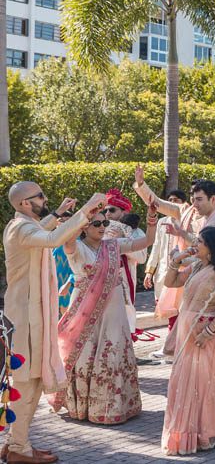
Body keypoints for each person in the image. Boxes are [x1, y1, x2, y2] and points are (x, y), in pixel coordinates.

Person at [3, 184, 105, 464]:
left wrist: (58, 213)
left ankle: (17, 443)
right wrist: (86, 210)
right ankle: (18, 448)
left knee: (32, 382)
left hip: (31, 316)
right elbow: (52, 238)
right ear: (25, 203)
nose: (45, 199)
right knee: (27, 383)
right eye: (40, 196)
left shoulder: (26, 225)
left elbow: (45, 232)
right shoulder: (21, 229)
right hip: (26, 319)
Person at [50, 206, 156, 424]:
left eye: (104, 223)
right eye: (96, 223)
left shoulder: (113, 245)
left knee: (113, 348)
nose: (102, 227)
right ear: (84, 227)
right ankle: (85, 407)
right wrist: (78, 215)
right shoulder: (76, 247)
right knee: (84, 351)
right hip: (85, 308)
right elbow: (67, 238)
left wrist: (152, 222)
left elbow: (144, 243)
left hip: (114, 306)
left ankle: (115, 407)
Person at [160, 227, 215, 455]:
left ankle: (206, 433)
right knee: (184, 379)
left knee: (208, 383)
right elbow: (171, 282)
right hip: (189, 330)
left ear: (213, 246)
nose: (196, 244)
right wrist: (176, 261)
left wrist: (210, 329)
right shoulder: (198, 265)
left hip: (212, 333)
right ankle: (184, 433)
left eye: (201, 241)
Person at [132, 165, 215, 251]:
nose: (194, 203)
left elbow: (207, 254)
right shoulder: (185, 210)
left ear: (213, 199)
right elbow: (158, 203)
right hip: (188, 270)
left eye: (199, 199)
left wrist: (180, 258)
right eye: (192, 196)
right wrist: (141, 184)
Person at [103, 189, 148, 334]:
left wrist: (122, 240)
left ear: (124, 212)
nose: (107, 214)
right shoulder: (100, 229)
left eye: (112, 210)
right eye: (105, 211)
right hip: (103, 280)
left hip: (125, 282)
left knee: (126, 313)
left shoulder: (136, 232)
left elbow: (141, 258)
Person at [143, 189, 189, 319]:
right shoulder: (162, 222)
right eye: (170, 201)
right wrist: (149, 271)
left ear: (183, 204)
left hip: (182, 271)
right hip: (163, 271)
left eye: (176, 201)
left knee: (180, 309)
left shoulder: (187, 222)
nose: (172, 204)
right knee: (167, 310)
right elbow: (156, 247)